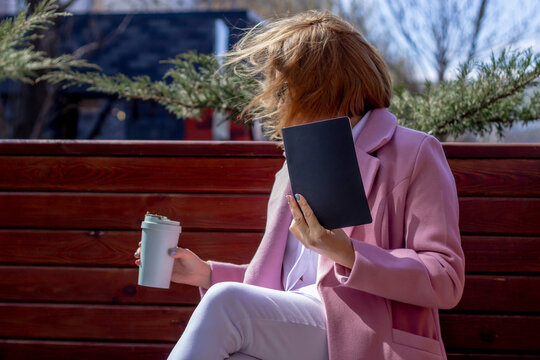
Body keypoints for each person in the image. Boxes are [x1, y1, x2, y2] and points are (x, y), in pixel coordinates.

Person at [134, 10, 465, 360]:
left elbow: (445, 278)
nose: (275, 100)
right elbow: (284, 282)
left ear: (321, 87)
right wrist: (207, 272)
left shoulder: (413, 153)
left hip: (365, 338)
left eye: (283, 87)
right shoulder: (293, 167)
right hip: (297, 334)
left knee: (226, 301)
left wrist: (347, 253)